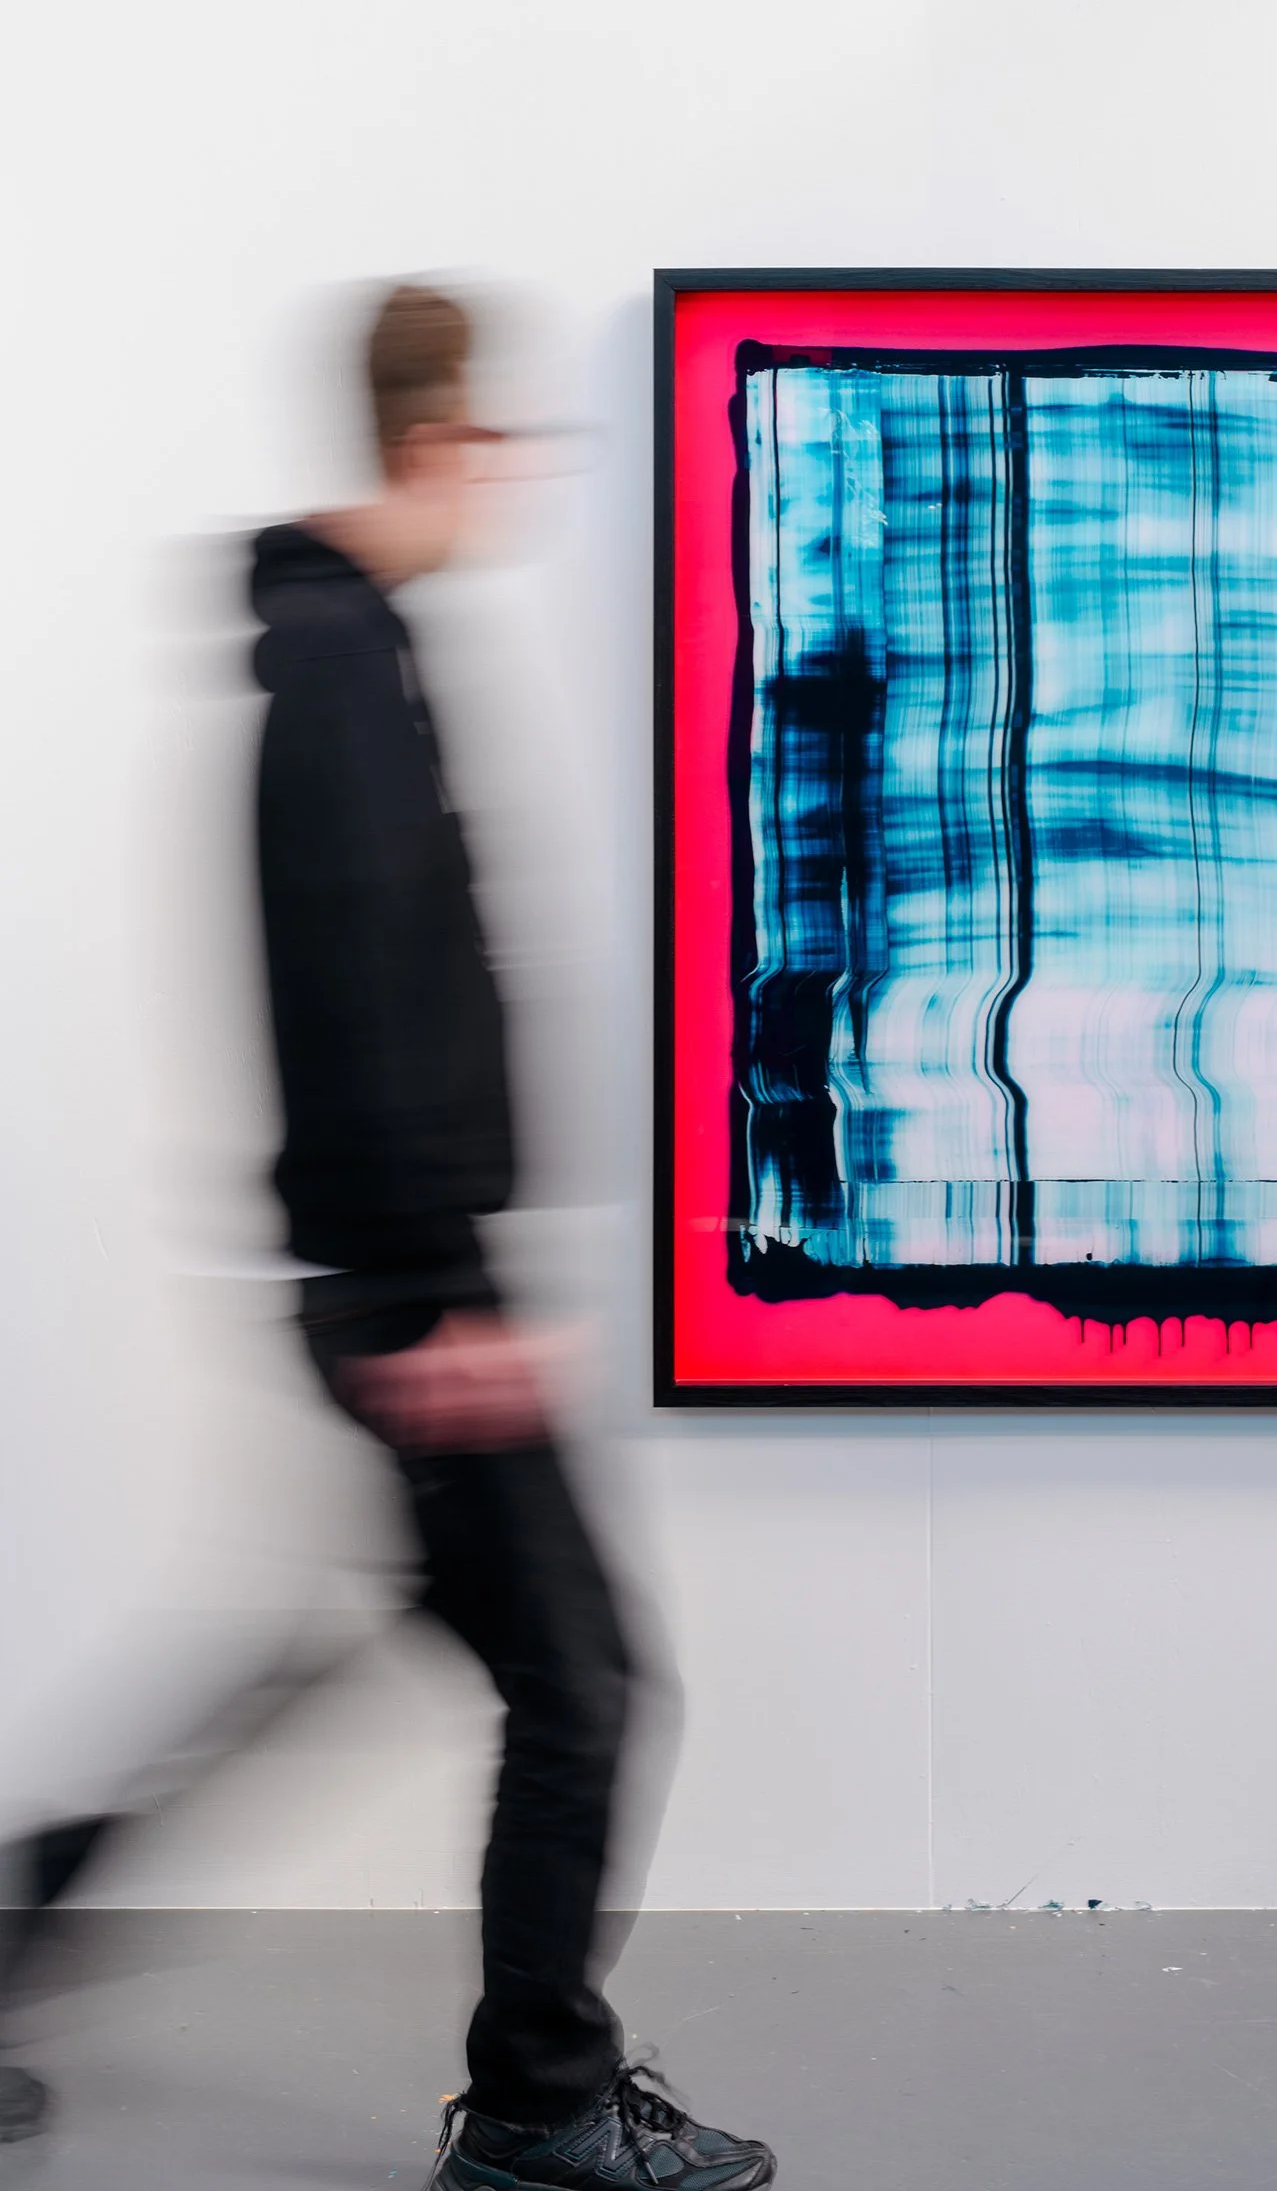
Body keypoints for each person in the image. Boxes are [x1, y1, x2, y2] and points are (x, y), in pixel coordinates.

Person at [250, 283, 776, 2191]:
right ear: (440, 440)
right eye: (507, 438)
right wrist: (442, 1288)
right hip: (412, 1288)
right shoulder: (332, 663)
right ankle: (542, 2110)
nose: (526, 474)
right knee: (581, 1684)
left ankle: (23, 1929)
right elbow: (350, 1000)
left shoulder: (351, 646)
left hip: (402, 1275)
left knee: (351, 1666)